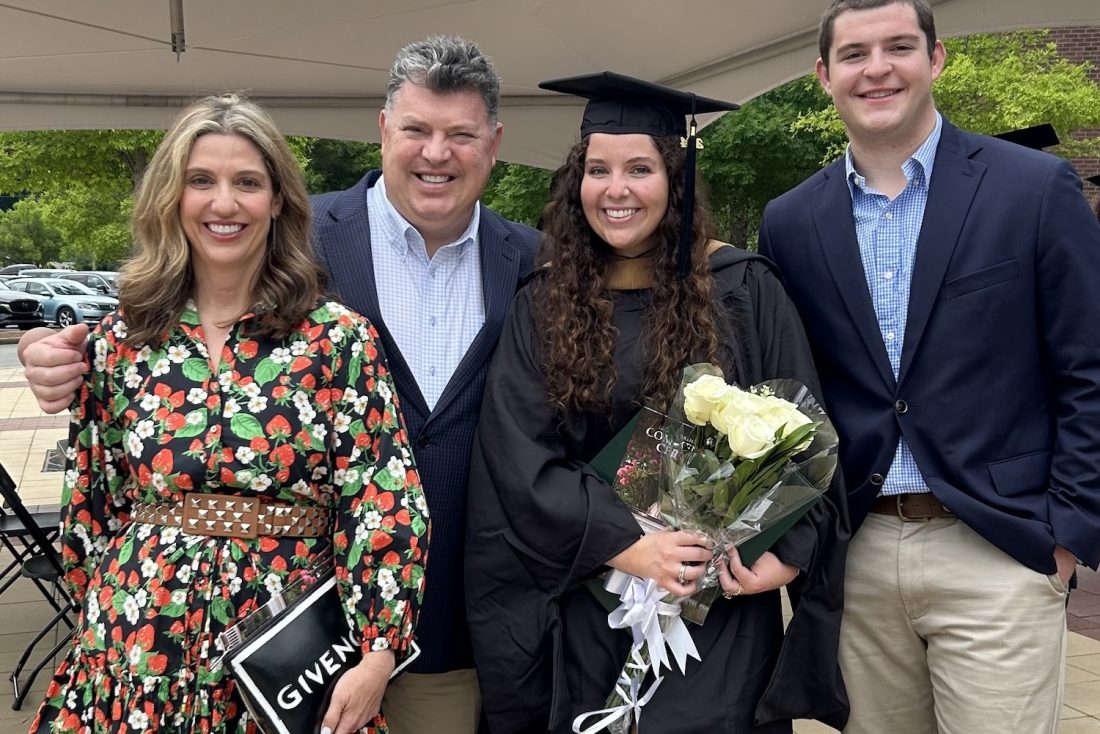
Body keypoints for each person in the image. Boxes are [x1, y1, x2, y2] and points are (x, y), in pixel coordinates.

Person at [18, 36, 539, 734]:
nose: (223, 202)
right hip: (138, 653)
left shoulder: (335, 336)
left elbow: (384, 500)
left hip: (291, 658)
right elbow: (93, 501)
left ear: (274, 199)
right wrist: (100, 622)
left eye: (247, 182)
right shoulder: (123, 341)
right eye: (200, 180)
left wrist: (379, 644)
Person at [466, 71, 850, 734]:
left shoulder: (743, 288)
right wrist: (628, 547)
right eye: (597, 169)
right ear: (575, 181)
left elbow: (806, 436)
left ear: (675, 178)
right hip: (593, 595)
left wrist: (783, 555)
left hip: (718, 610)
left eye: (639, 168)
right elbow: (517, 454)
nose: (615, 190)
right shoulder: (546, 302)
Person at [757, 1, 1100, 732]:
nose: (876, 68)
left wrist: (1065, 537)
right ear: (824, 75)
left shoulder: (1033, 190)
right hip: (861, 553)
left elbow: (1088, 368)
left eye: (898, 47)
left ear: (936, 58)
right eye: (854, 54)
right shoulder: (789, 221)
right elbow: (792, 392)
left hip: (998, 549)